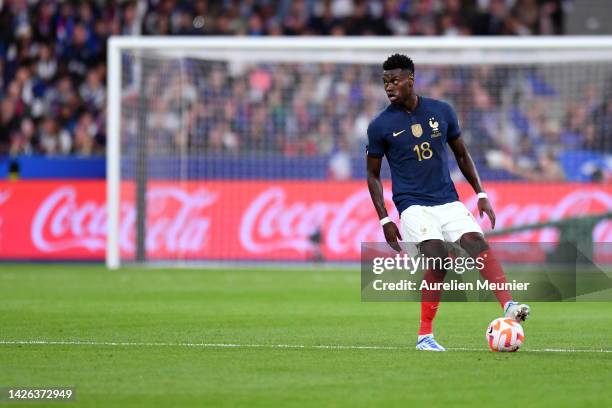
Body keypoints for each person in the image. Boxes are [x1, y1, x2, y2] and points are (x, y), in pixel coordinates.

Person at [366, 54, 530, 352]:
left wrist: (480, 194)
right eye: (385, 82)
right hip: (412, 205)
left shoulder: (442, 111)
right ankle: (424, 336)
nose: (389, 86)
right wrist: (385, 219)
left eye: (395, 80)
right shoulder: (380, 126)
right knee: (439, 259)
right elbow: (372, 174)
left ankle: (508, 305)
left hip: (448, 200)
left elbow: (462, 155)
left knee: (476, 242)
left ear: (410, 80)